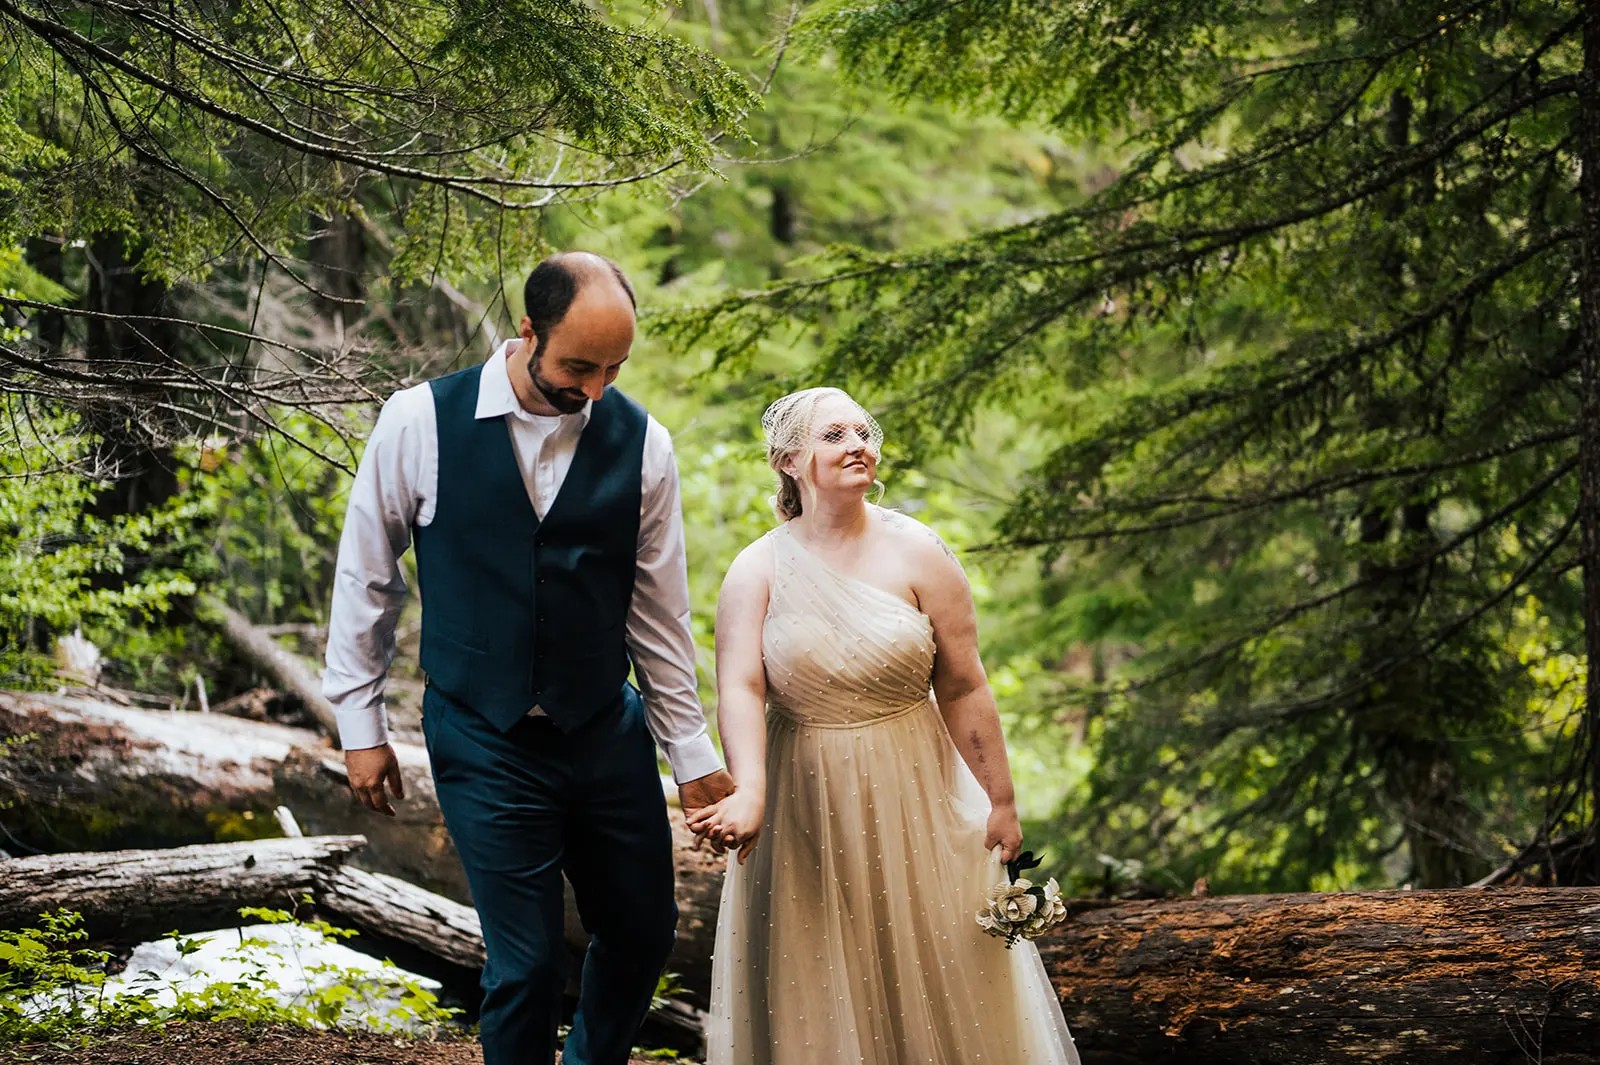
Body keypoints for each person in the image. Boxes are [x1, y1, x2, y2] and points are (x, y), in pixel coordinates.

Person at [321, 251, 735, 1065]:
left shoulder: (644, 443)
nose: (595, 390)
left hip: (604, 731)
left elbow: (658, 617)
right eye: (579, 365)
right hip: (483, 731)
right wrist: (358, 723)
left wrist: (692, 757)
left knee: (644, 933)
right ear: (527, 331)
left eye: (615, 367)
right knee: (529, 960)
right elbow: (367, 577)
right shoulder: (417, 421)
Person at [689, 387, 1080, 1063]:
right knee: (812, 971)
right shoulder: (755, 570)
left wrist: (1003, 799)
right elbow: (740, 687)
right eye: (834, 434)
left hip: (916, 788)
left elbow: (964, 685)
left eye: (863, 431)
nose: (857, 445)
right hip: (803, 797)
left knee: (937, 958)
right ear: (789, 459)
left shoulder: (922, 553)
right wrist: (749, 788)